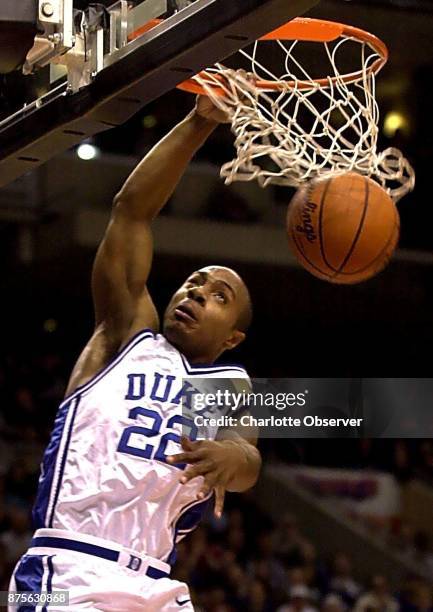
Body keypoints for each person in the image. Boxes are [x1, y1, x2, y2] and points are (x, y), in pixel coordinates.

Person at [9, 95, 261, 611]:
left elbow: (249, 462)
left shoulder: (228, 387)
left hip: (158, 584)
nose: (195, 292)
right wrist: (199, 123)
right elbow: (131, 211)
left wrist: (229, 458)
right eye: (194, 283)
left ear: (232, 337)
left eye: (219, 297)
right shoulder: (128, 331)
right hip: (70, 568)